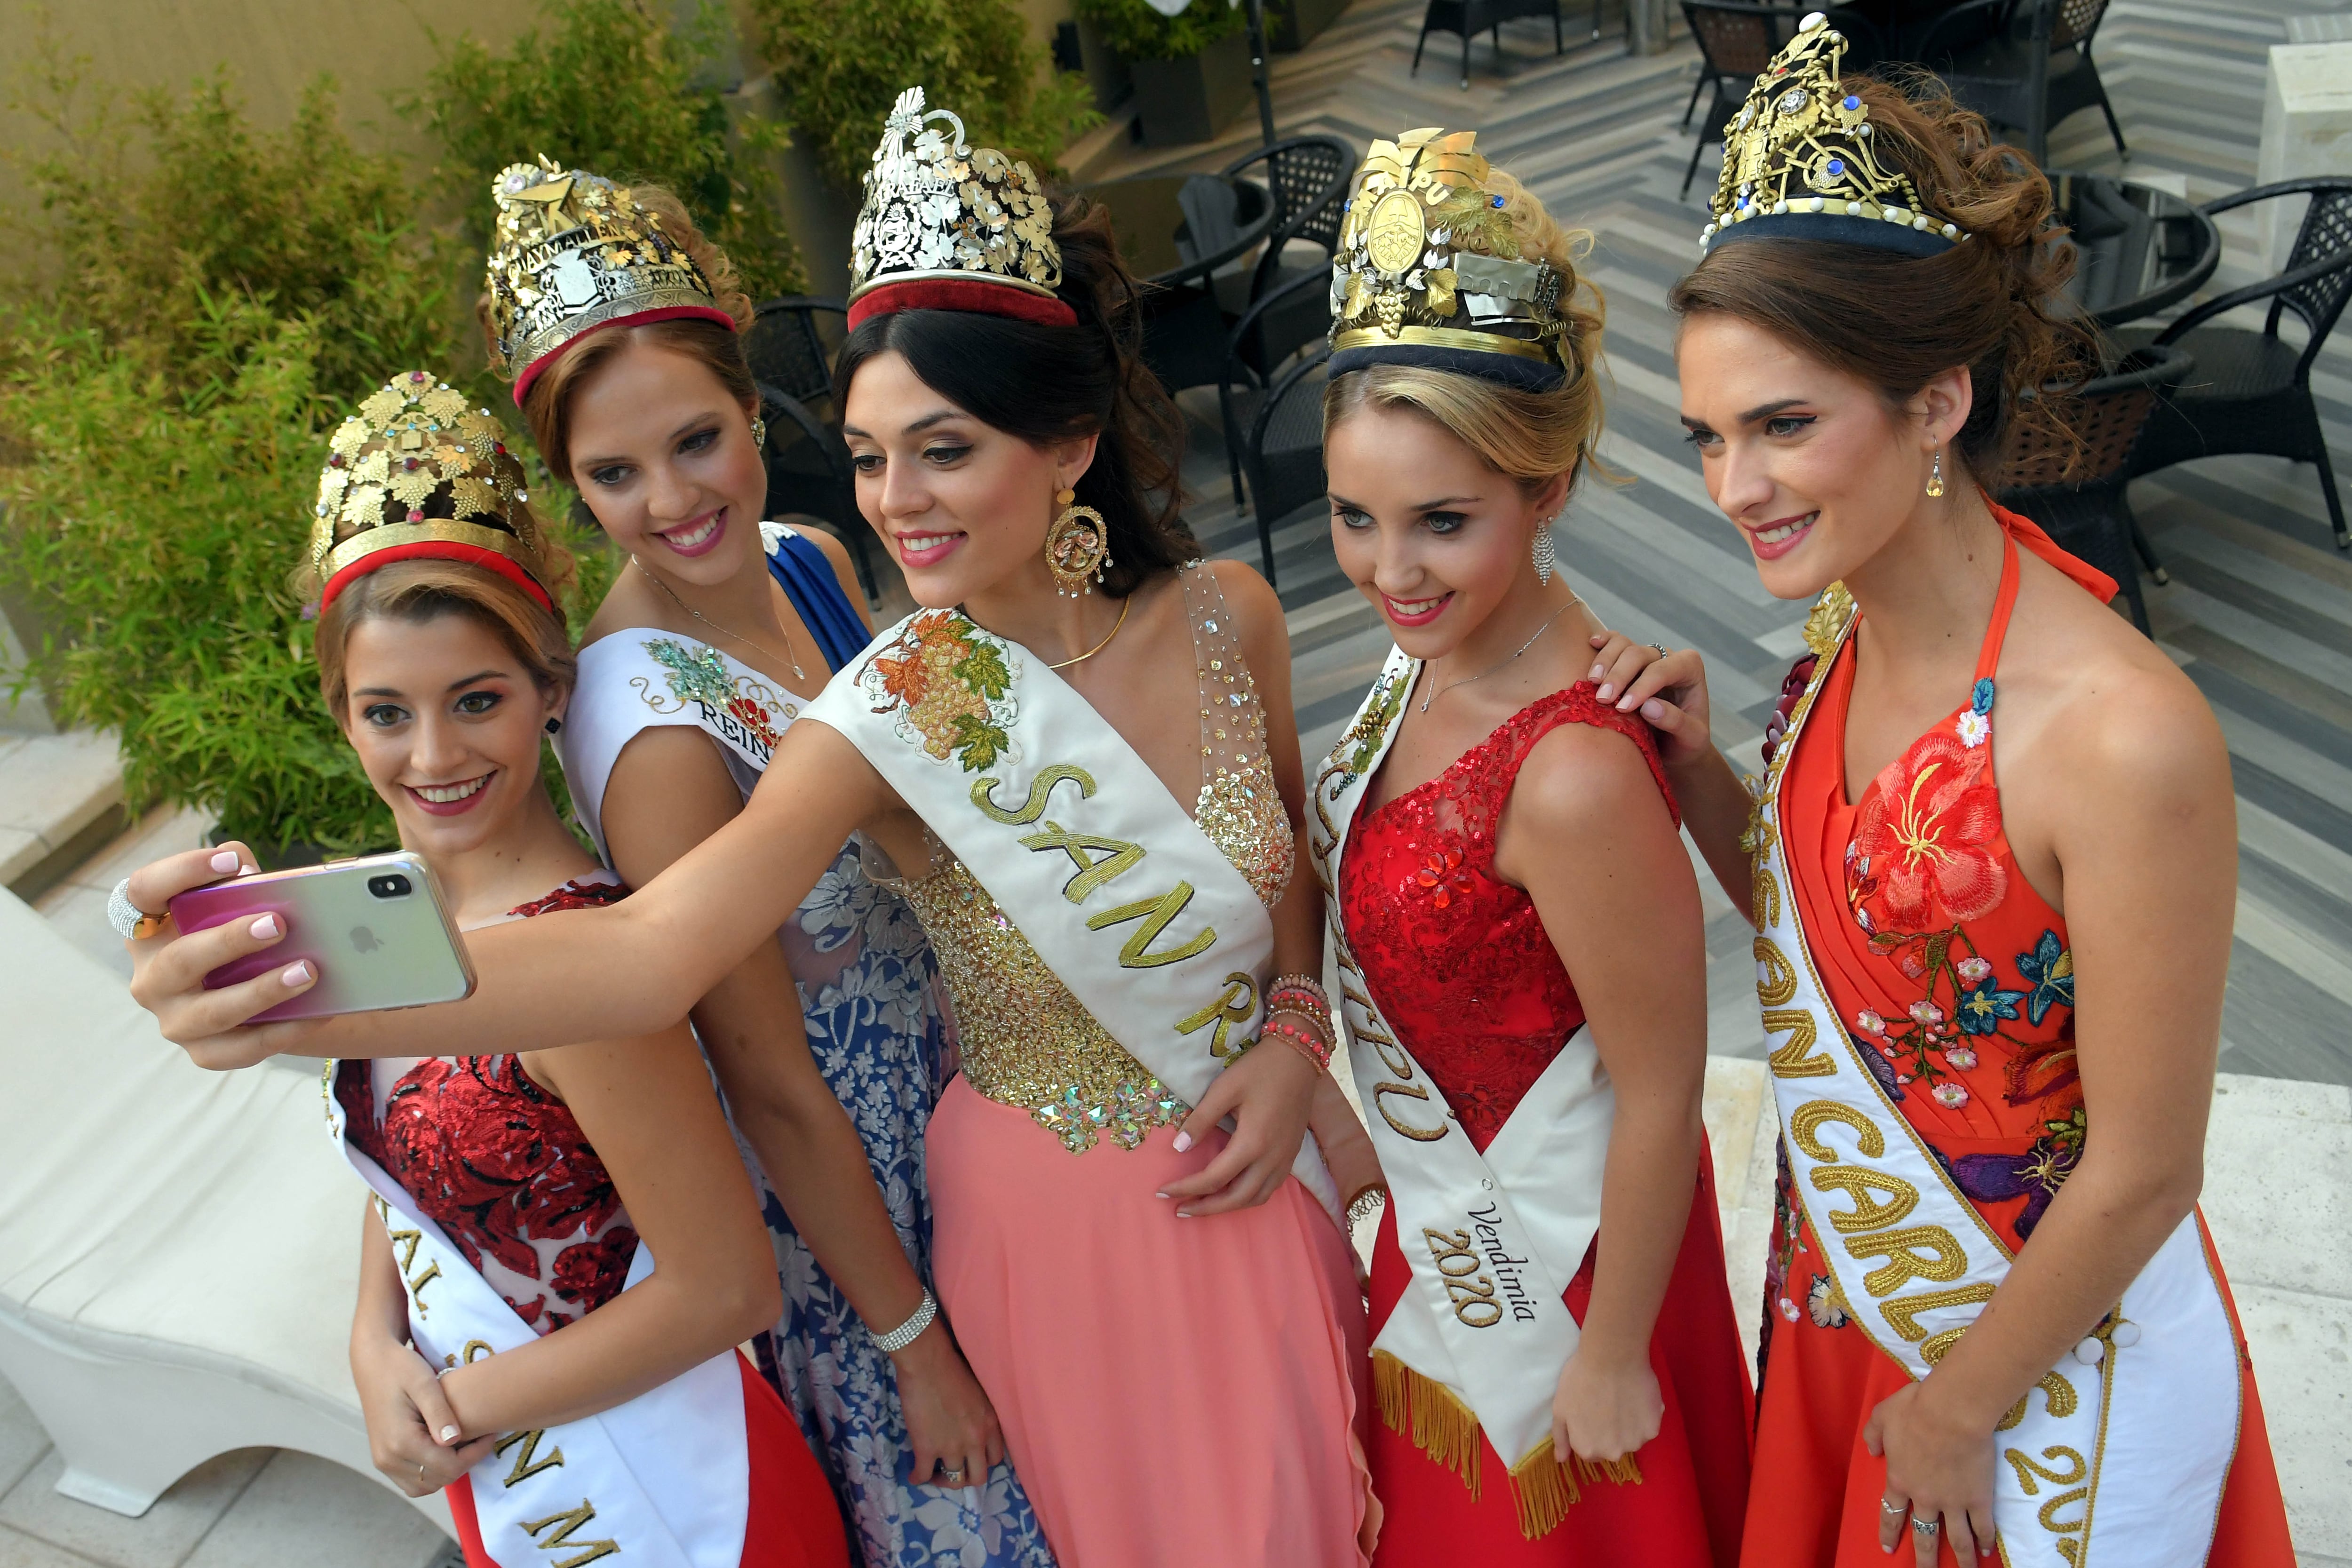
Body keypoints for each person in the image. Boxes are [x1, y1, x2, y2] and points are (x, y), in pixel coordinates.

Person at [123, 88, 1381, 1568]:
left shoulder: (1228, 614)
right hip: (1034, 1219)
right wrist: (290, 971)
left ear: (1071, 439)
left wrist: (1301, 1036)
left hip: (1251, 1180)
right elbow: (647, 954)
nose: (896, 504)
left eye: (941, 450)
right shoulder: (899, 694)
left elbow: (1288, 873)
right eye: (864, 454)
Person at [1589, 21, 2297, 1567]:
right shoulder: (1839, 639)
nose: (1734, 488)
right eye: (1707, 434)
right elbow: (1837, 943)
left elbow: (2149, 1166)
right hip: (1857, 1297)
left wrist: (1963, 1403)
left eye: (1785, 424)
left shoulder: (2121, 732)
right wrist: (1706, 771)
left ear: (1937, 403)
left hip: (2035, 1359)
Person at [478, 156, 1052, 1568]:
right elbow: (769, 1079)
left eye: (695, 440)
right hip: (864, 1217)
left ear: (753, 408)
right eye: (613, 474)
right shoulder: (648, 720)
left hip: (977, 1115)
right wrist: (914, 1341)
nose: (672, 498)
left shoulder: (809, 559)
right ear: (571, 488)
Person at [293, 371, 847, 1567]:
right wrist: (372, 1338)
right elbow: (407, 1168)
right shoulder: (383, 918)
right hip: (513, 1479)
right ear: (342, 713)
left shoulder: (587, 959)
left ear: (551, 690)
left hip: (684, 1498)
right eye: (387, 711)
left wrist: (461, 1407)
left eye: (476, 699)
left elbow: (724, 1290)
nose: (434, 754)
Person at [1303, 128, 1751, 1567]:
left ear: (1547, 490)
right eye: (1354, 519)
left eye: (1446, 522)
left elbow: (1663, 1079)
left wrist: (1617, 1349)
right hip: (1453, 1238)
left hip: (1576, 1279)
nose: (1391, 572)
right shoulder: (1419, 669)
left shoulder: (1571, 772)